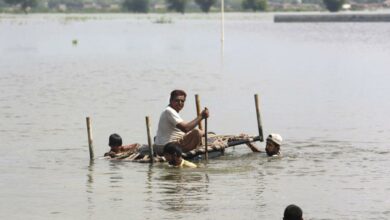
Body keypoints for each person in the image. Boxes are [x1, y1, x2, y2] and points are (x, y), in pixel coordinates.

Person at [154, 90, 209, 156]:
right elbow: (186, 128)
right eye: (177, 100)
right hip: (167, 147)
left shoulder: (171, 112)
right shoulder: (169, 111)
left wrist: (203, 133)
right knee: (197, 133)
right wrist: (201, 116)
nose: (180, 103)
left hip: (164, 146)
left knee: (200, 133)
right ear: (171, 101)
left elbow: (184, 130)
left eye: (182, 101)